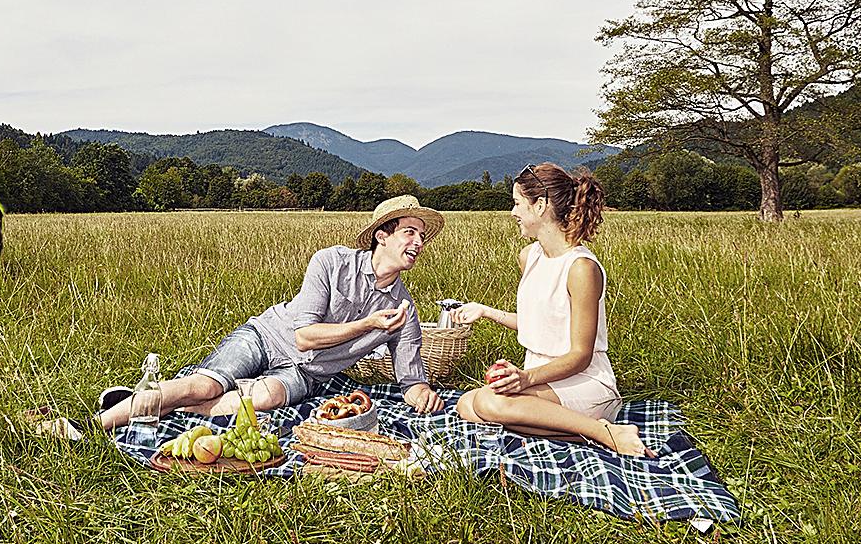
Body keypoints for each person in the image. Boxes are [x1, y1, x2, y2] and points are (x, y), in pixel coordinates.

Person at [42, 195, 447, 440]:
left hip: (306, 374)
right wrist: (368, 325)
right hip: (267, 337)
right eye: (409, 232)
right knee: (204, 385)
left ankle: (153, 403)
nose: (418, 242)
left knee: (265, 398)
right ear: (382, 235)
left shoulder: (403, 310)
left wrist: (421, 394)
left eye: (422, 236)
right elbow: (304, 336)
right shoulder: (330, 261)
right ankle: (89, 427)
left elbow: (410, 377)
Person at [451, 163, 652, 457]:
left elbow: (580, 355)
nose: (513, 212)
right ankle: (579, 430)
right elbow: (542, 325)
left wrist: (526, 378)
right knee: (466, 405)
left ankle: (605, 431)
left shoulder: (581, 268)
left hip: (582, 382)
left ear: (541, 205)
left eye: (518, 203)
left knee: (488, 404)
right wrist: (486, 311)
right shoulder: (529, 256)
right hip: (542, 380)